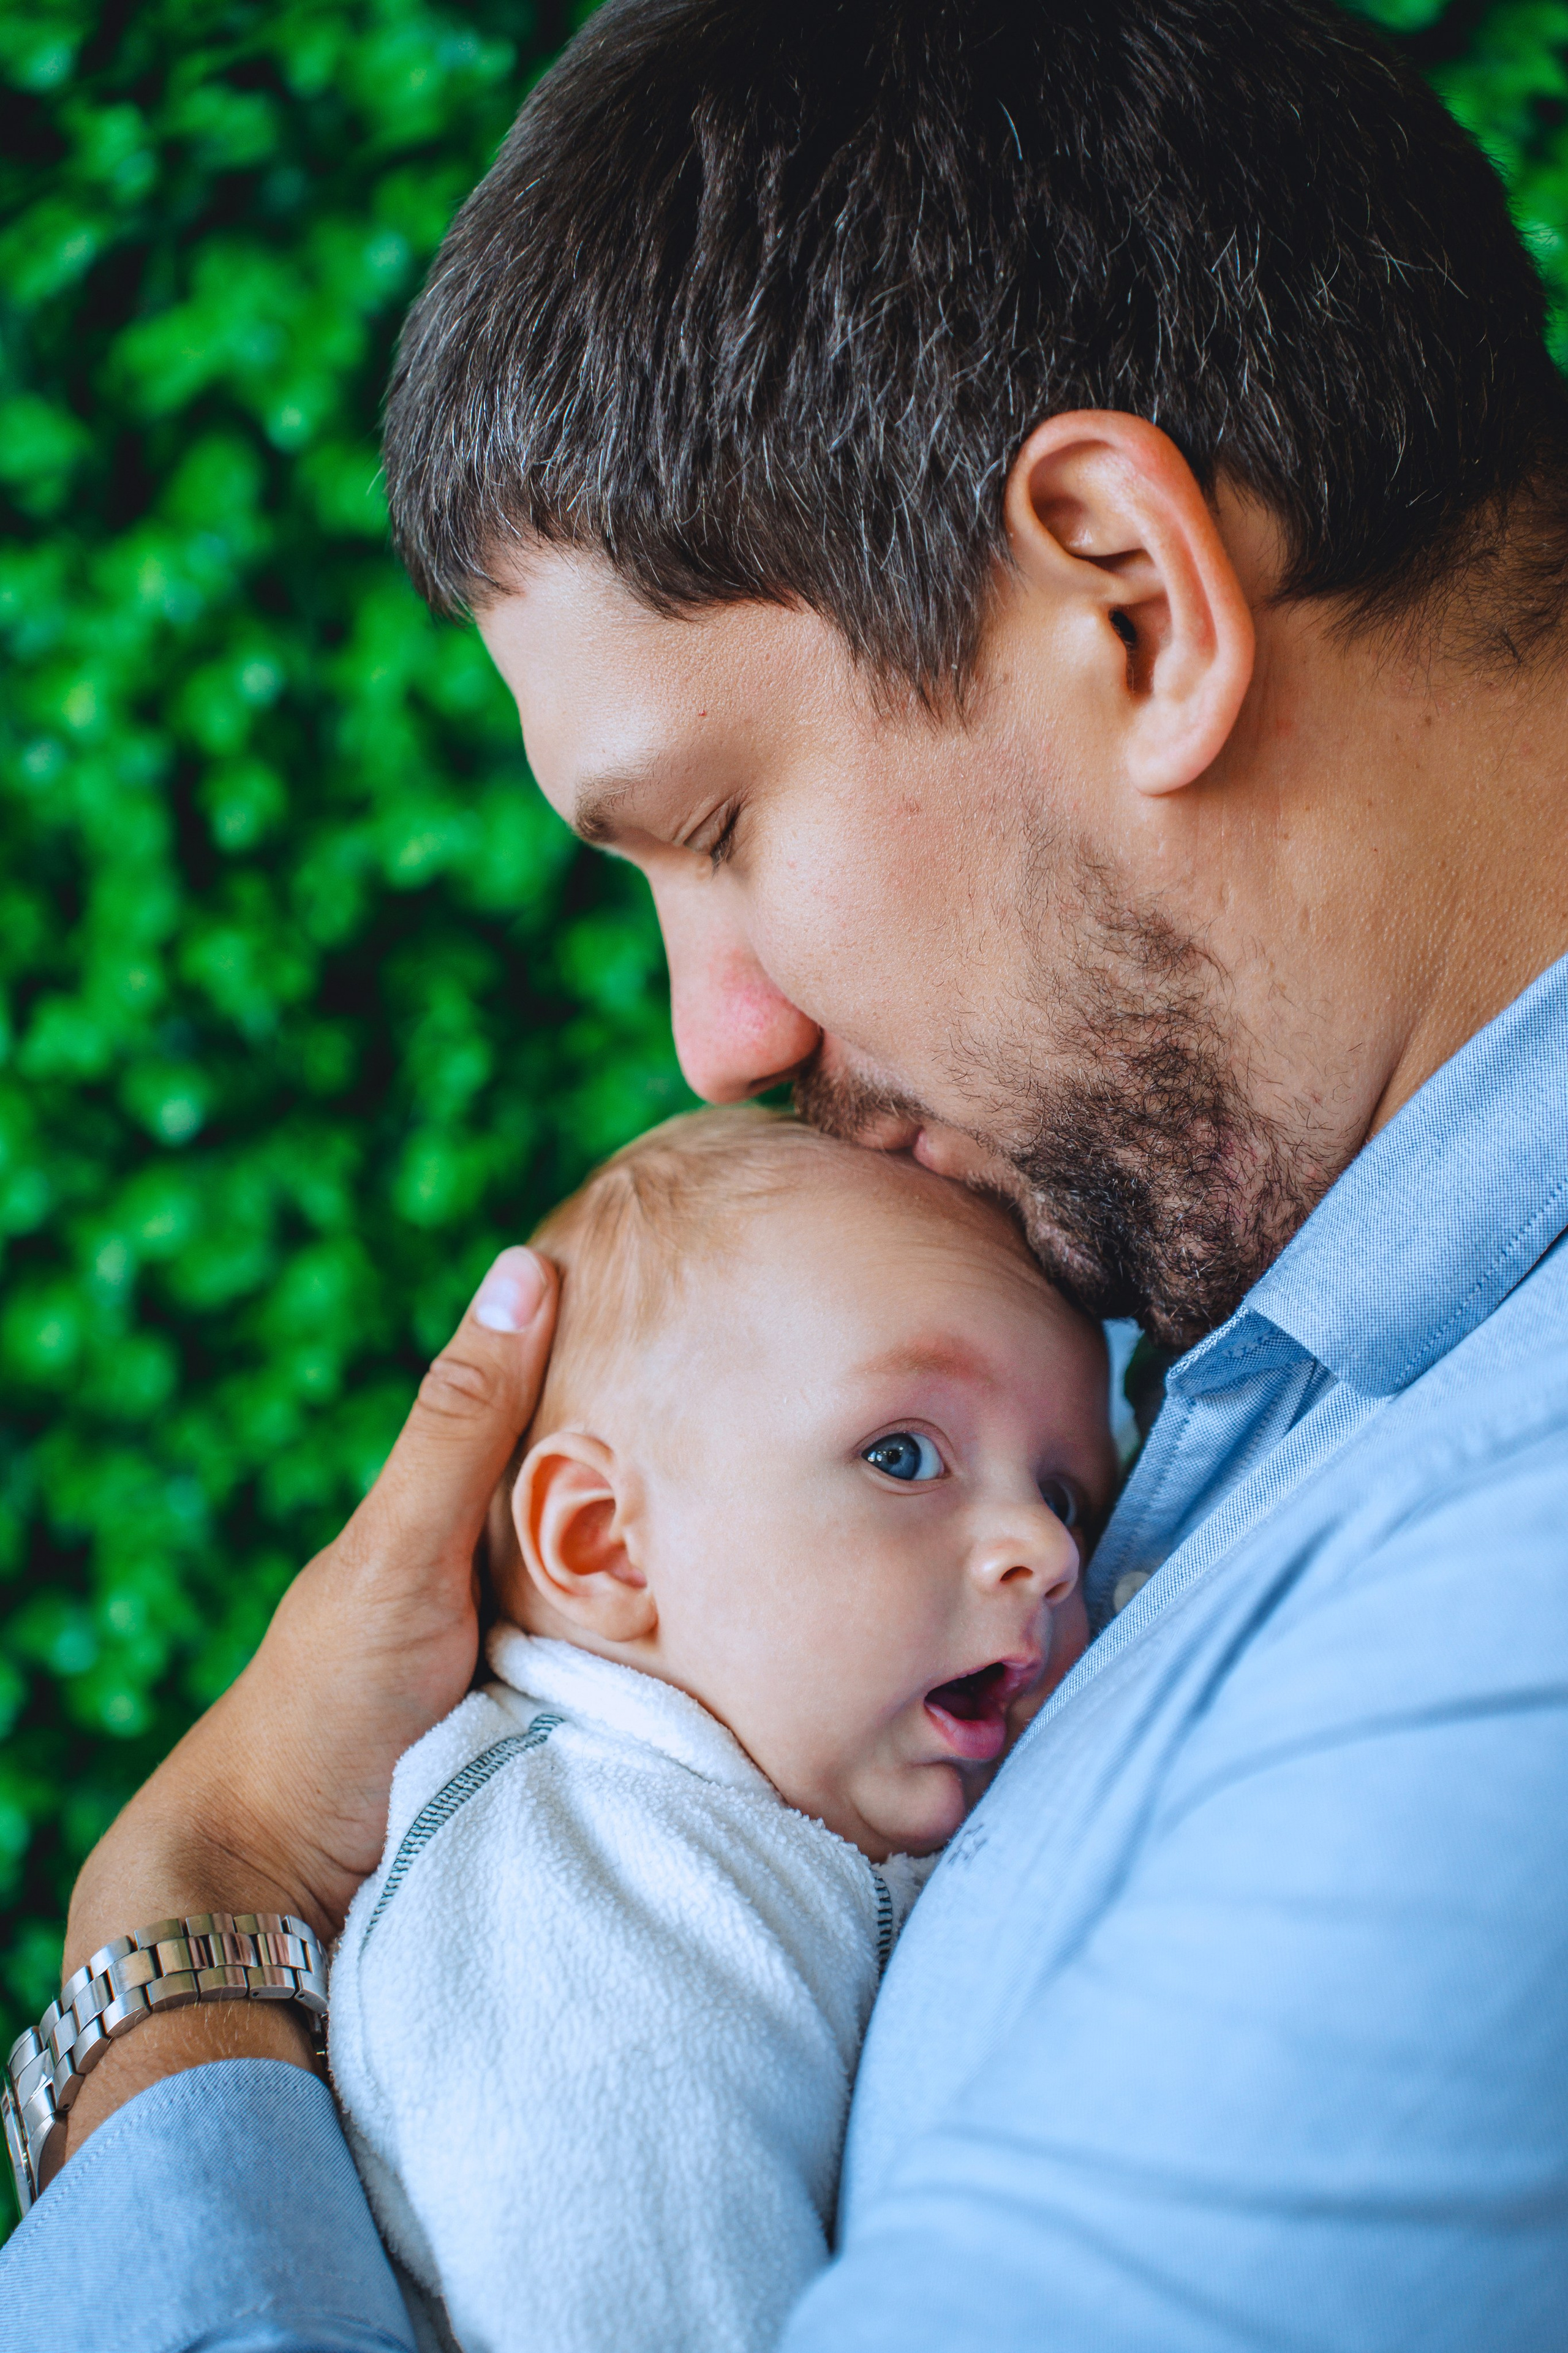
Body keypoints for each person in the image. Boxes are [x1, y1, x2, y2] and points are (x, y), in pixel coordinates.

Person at [4, 0, 1567, 2345]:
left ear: (1132, 599)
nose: (715, 1039)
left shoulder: (1502, 1619)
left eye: (719, 828)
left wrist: (185, 1927)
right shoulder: (1190, 1319)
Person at [328, 1106, 1110, 2352]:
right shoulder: (587, 1897)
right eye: (902, 1455)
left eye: (1067, 1492)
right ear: (604, 1544)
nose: (1048, 1550)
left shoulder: (738, 1813)